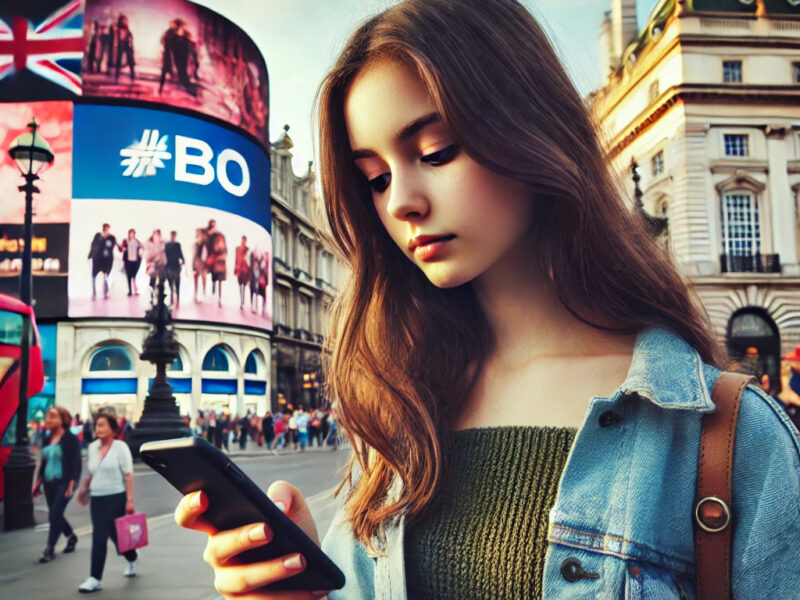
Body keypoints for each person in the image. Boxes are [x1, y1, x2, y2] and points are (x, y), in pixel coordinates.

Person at [173, 2, 800, 598]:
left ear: (530, 130)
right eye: (377, 178)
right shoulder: (404, 403)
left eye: (436, 152)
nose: (400, 203)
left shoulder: (726, 434)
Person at [76, 412, 139, 593]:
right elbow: (91, 472)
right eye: (97, 425)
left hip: (116, 497)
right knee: (99, 536)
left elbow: (128, 475)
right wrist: (84, 490)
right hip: (97, 497)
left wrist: (130, 500)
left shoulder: (121, 447)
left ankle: (132, 557)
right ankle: (95, 578)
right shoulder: (93, 447)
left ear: (113, 428)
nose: (98, 429)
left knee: (117, 537)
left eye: (103, 425)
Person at [33, 407, 81, 563]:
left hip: (65, 481)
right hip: (49, 481)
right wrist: (37, 483)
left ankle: (50, 549)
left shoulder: (70, 438)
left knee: (54, 513)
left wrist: (71, 485)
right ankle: (71, 537)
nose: (48, 419)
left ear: (63, 419)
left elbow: (75, 463)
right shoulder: (47, 438)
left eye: (53, 416)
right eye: (48, 416)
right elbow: (44, 462)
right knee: (56, 513)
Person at [88, 224, 118, 299]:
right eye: (106, 228)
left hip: (106, 260)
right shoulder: (98, 236)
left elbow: (114, 245)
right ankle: (94, 293)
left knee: (105, 276)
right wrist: (90, 255)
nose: (107, 230)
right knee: (94, 276)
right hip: (97, 259)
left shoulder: (111, 237)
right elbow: (93, 245)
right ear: (104, 229)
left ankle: (105, 292)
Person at [164, 230, 185, 308]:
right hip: (169, 266)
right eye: (172, 235)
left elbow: (180, 254)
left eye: (174, 235)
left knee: (177, 284)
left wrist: (182, 261)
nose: (173, 237)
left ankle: (177, 301)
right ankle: (172, 301)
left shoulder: (177, 245)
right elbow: (165, 255)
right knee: (171, 285)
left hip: (176, 266)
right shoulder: (167, 245)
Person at [120, 228, 142, 296]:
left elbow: (141, 249)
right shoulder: (126, 241)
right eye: (131, 233)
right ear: (129, 234)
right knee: (129, 277)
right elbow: (122, 249)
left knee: (134, 276)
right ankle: (130, 291)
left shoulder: (137, 241)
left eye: (133, 233)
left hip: (135, 261)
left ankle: (135, 290)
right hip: (128, 261)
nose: (132, 234)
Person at [234, 236, 250, 309]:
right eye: (242, 240)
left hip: (245, 270)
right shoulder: (237, 249)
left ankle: (242, 301)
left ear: (246, 241)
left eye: (244, 240)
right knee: (240, 285)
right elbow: (236, 259)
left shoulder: (247, 249)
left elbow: (248, 260)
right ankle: (241, 301)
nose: (243, 241)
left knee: (244, 286)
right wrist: (235, 269)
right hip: (239, 270)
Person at [192, 227, 209, 302]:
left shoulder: (204, 244)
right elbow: (194, 255)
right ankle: (196, 295)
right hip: (196, 263)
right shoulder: (195, 244)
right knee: (196, 279)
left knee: (203, 279)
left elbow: (205, 255)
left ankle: (203, 294)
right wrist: (193, 267)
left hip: (202, 264)